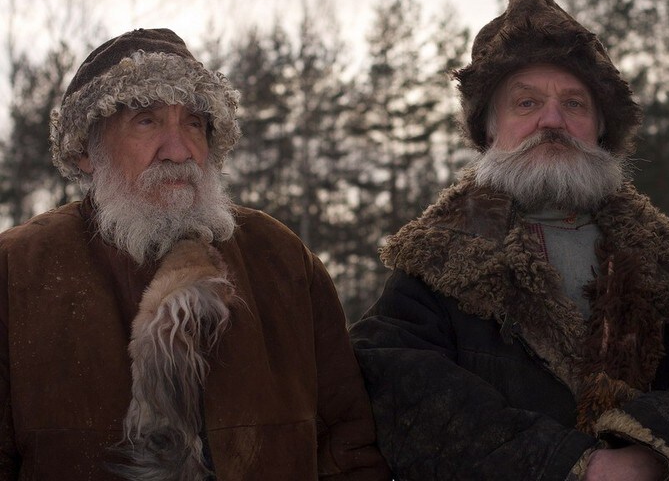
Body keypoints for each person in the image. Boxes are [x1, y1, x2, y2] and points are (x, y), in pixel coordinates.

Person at [0, 28, 390, 480]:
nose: (179, 150)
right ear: (86, 149)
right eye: (146, 120)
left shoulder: (280, 258)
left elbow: (348, 447)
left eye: (193, 123)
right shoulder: (18, 270)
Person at [351, 0, 669, 480]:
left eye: (574, 103)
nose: (552, 121)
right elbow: (396, 385)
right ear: (489, 129)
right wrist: (570, 463)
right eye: (527, 102)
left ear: (600, 129)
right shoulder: (434, 260)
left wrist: (650, 449)